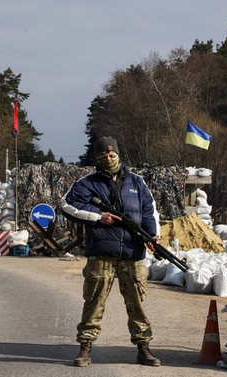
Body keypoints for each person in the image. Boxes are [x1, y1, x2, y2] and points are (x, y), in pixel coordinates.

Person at [61, 136, 161, 367]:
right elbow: (67, 205)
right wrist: (98, 217)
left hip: (132, 251)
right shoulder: (87, 183)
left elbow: (149, 211)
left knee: (136, 302)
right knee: (94, 302)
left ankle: (143, 347)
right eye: (102, 155)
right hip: (102, 252)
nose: (108, 158)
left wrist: (152, 236)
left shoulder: (137, 182)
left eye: (111, 154)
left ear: (118, 154)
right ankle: (85, 348)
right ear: (96, 158)